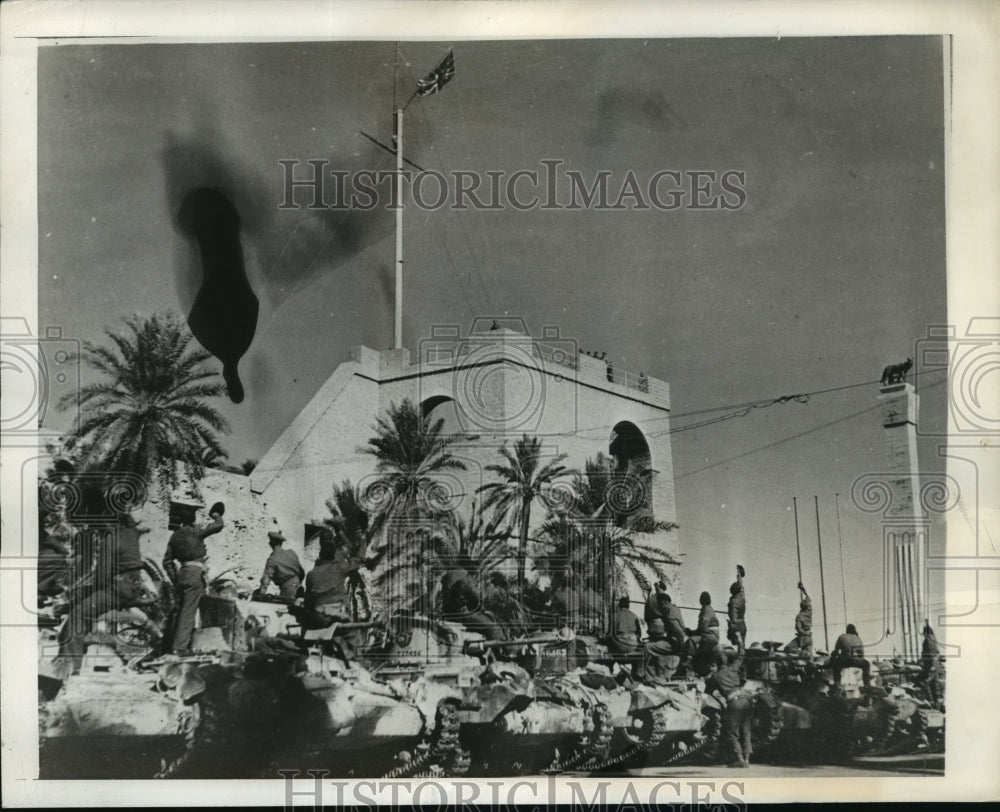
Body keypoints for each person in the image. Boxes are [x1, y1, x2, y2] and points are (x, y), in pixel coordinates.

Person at [58, 508, 152, 667]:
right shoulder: (131, 533)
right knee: (86, 605)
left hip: (117, 589)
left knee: (77, 615)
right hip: (132, 586)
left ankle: (70, 666)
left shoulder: (110, 539)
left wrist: (81, 592)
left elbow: (101, 578)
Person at [162, 502, 225, 654]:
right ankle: (179, 648)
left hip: (182, 574)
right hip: (195, 574)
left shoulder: (175, 536)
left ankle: (168, 645)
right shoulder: (195, 531)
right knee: (188, 612)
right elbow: (218, 525)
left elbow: (167, 562)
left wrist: (176, 579)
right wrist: (215, 514)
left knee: (178, 611)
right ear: (192, 520)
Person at [301, 526, 364, 626]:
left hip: (318, 611)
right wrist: (340, 530)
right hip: (336, 605)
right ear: (332, 539)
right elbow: (352, 550)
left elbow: (310, 595)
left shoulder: (315, 566)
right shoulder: (338, 555)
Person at [706, 636, 752, 768]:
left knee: (732, 731)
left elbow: (708, 692)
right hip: (746, 700)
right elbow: (742, 655)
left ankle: (739, 760)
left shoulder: (715, 677)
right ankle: (747, 759)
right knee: (746, 729)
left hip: (734, 702)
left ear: (717, 664)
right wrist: (739, 640)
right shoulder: (733, 668)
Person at [257, 530, 305, 600]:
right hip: (299, 589)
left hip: (288, 591)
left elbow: (265, 580)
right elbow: (302, 572)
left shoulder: (272, 559)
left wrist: (260, 594)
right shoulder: (292, 553)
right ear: (281, 543)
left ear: (271, 543)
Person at [830, 623, 872, 701]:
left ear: (847, 630)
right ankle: (867, 686)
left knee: (836, 666)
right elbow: (862, 654)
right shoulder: (858, 638)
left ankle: (837, 684)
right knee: (866, 664)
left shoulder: (842, 637)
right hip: (856, 660)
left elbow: (836, 650)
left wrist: (834, 657)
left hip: (845, 660)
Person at [686, 591, 720, 673]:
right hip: (710, 635)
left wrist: (691, 632)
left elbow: (703, 627)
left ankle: (689, 661)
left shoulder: (706, 609)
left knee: (691, 640)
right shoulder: (708, 609)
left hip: (709, 636)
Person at [607, 596, 642, 672]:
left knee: (609, 644)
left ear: (619, 605)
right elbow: (640, 634)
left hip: (621, 645)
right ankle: (636, 672)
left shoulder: (616, 616)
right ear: (628, 606)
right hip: (633, 645)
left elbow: (610, 633)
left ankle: (610, 668)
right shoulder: (634, 616)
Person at [918, 619, 942, 707]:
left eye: (924, 633)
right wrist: (927, 623)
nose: (923, 635)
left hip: (932, 665)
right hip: (936, 664)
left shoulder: (928, 640)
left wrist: (932, 665)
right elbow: (937, 653)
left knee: (925, 683)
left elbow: (932, 654)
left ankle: (931, 702)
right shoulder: (933, 638)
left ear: (925, 633)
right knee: (935, 685)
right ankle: (937, 703)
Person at [787, 582, 813, 658]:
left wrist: (805, 633)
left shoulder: (799, 617)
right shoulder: (809, 611)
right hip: (809, 638)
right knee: (809, 659)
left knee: (788, 648)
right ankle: (807, 657)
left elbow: (799, 630)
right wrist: (802, 589)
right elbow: (808, 597)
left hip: (802, 638)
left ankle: (802, 653)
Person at [727, 565, 747, 647]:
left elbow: (733, 619)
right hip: (743, 624)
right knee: (742, 647)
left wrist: (730, 627)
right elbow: (741, 585)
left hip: (737, 627)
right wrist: (739, 575)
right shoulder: (741, 596)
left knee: (738, 647)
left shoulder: (733, 602)